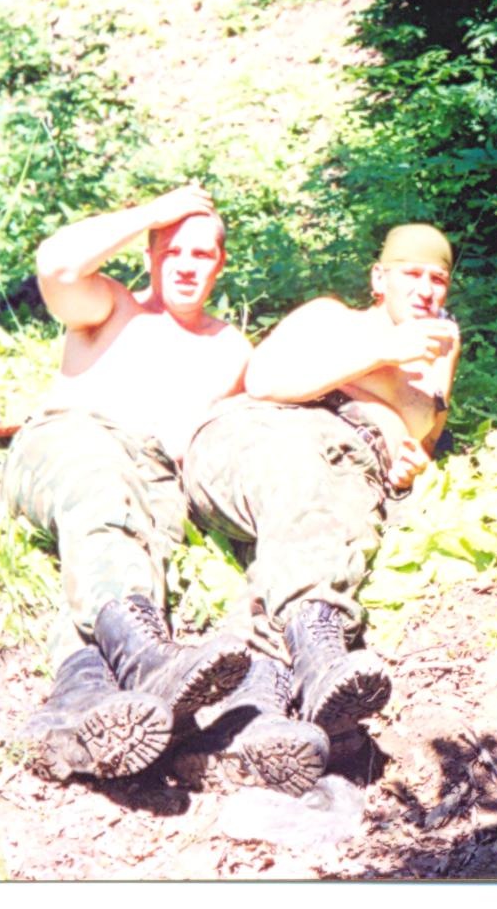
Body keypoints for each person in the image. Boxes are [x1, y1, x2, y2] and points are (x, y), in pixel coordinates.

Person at [181, 223, 461, 784]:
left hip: (349, 470)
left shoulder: (439, 346)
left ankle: (257, 717)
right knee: (304, 480)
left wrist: (413, 461)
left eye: (439, 279)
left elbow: (424, 436)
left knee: (323, 524)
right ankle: (318, 646)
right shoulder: (332, 318)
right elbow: (264, 380)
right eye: (411, 273)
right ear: (379, 279)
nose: (426, 288)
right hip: (264, 436)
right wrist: (379, 353)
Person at [3, 185, 258, 783]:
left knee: (136, 551)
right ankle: (145, 657)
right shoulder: (111, 309)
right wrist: (154, 212)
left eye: (202, 254)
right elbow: (57, 265)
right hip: (71, 443)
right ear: (149, 256)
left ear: (220, 263)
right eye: (171, 251)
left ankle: (79, 696)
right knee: (100, 490)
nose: (186, 266)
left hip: (156, 477)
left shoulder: (229, 347)